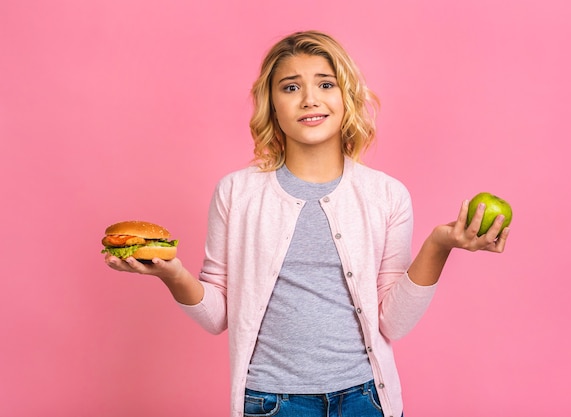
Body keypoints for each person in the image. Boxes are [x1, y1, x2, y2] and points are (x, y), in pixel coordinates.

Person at [104, 30, 510, 417]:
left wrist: (438, 245)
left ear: (346, 98)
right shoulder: (236, 193)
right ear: (272, 103)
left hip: (366, 398)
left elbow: (394, 322)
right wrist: (172, 274)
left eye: (326, 84)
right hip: (271, 401)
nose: (309, 99)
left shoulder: (387, 195)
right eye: (291, 87)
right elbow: (217, 316)